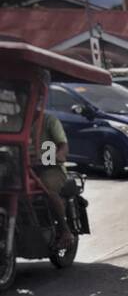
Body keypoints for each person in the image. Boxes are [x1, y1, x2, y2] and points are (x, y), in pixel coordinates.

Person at [30, 102, 73, 251]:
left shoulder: (49, 121)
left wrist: (57, 156)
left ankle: (65, 231)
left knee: (47, 188)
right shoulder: (14, 121)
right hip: (22, 168)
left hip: (50, 168)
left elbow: (63, 146)